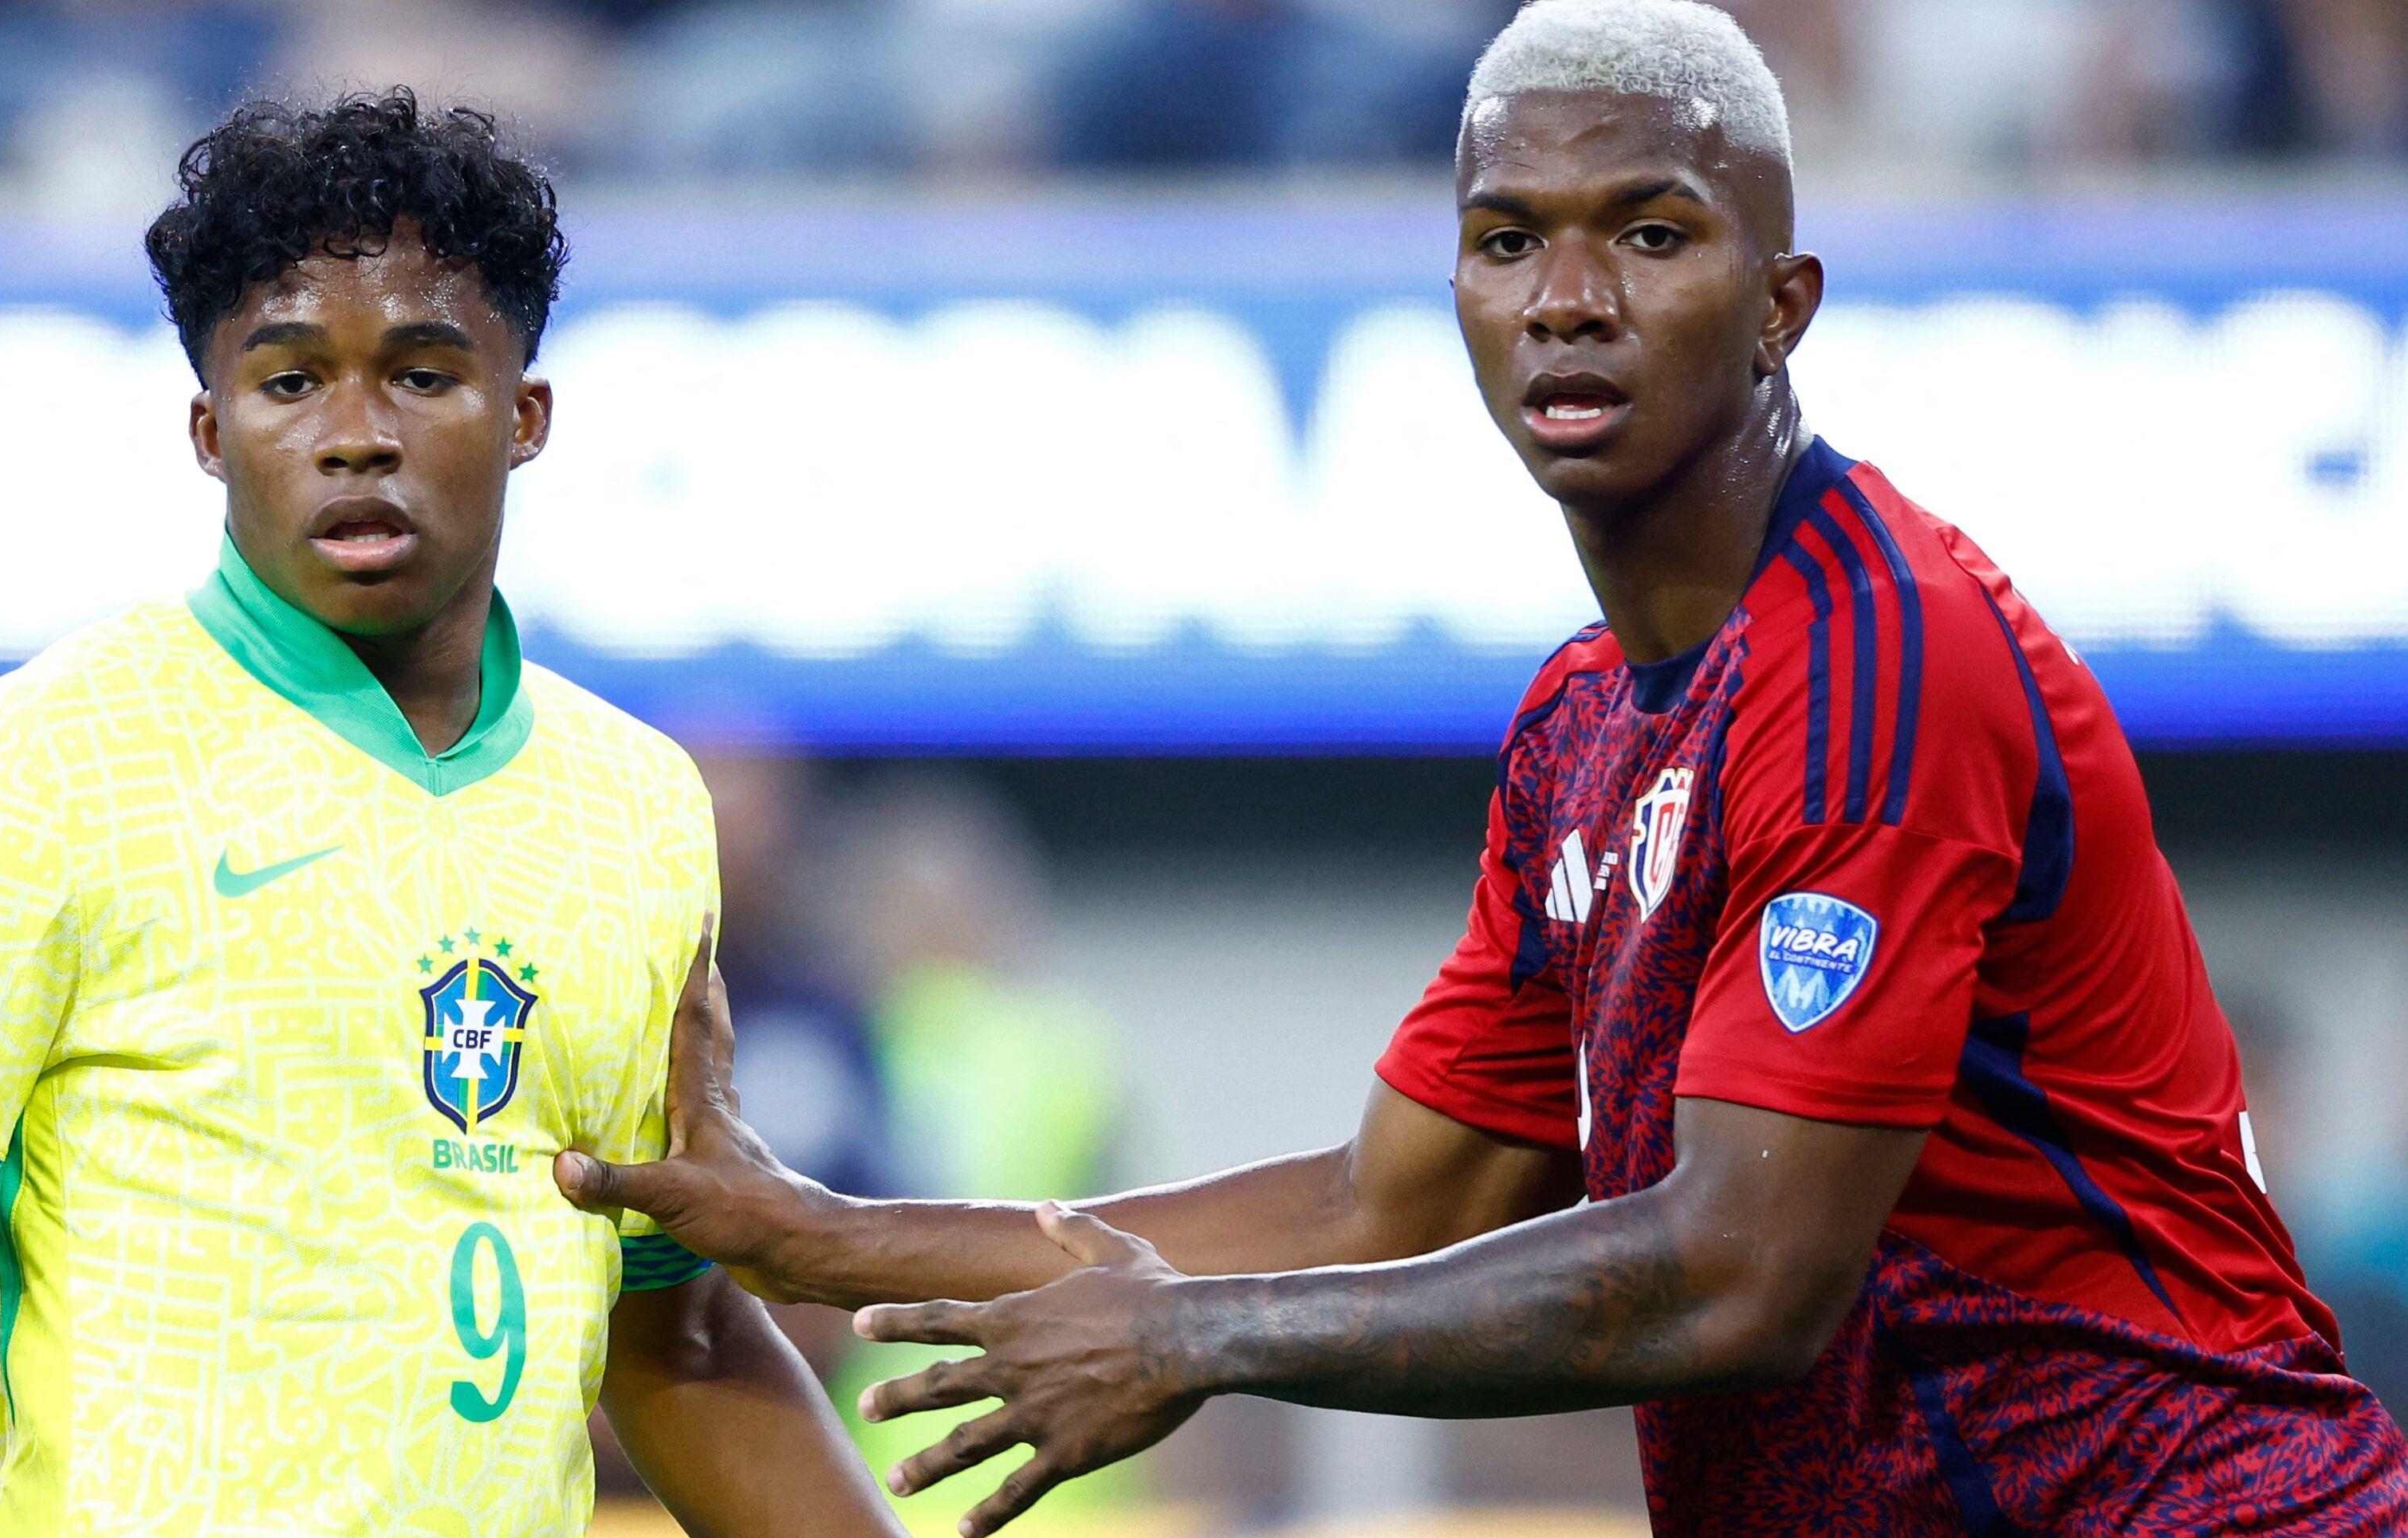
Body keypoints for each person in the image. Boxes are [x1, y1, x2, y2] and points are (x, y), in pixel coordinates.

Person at [557, 3, 2408, 1533]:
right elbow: (1389, 1203)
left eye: (1648, 234)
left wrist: (1198, 1337)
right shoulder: (1581, 721)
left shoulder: (1875, 658)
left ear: (1781, 300)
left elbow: (1744, 1272)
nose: (1565, 295)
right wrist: (834, 1233)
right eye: (1508, 239)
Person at [0, 91, 900, 1538]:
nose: (355, 436)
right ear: (210, 429)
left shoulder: (639, 805)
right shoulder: (39, 759)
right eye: (290, 382)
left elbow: (677, 1333)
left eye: (422, 374)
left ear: (524, 416)